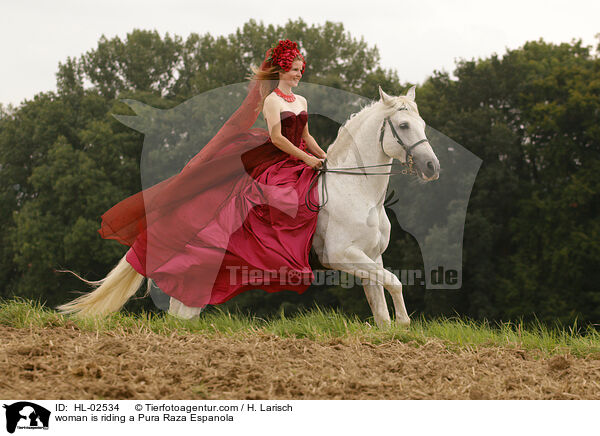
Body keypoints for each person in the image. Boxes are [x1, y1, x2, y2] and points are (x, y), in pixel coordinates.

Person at [58, 39, 327, 316]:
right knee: (276, 200)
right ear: (280, 71)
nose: (298, 74)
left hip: (298, 157)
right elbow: (277, 137)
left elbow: (306, 135)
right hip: (274, 159)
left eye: (300, 70)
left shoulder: (301, 101)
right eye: (294, 69)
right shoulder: (271, 101)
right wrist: (306, 158)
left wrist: (324, 156)